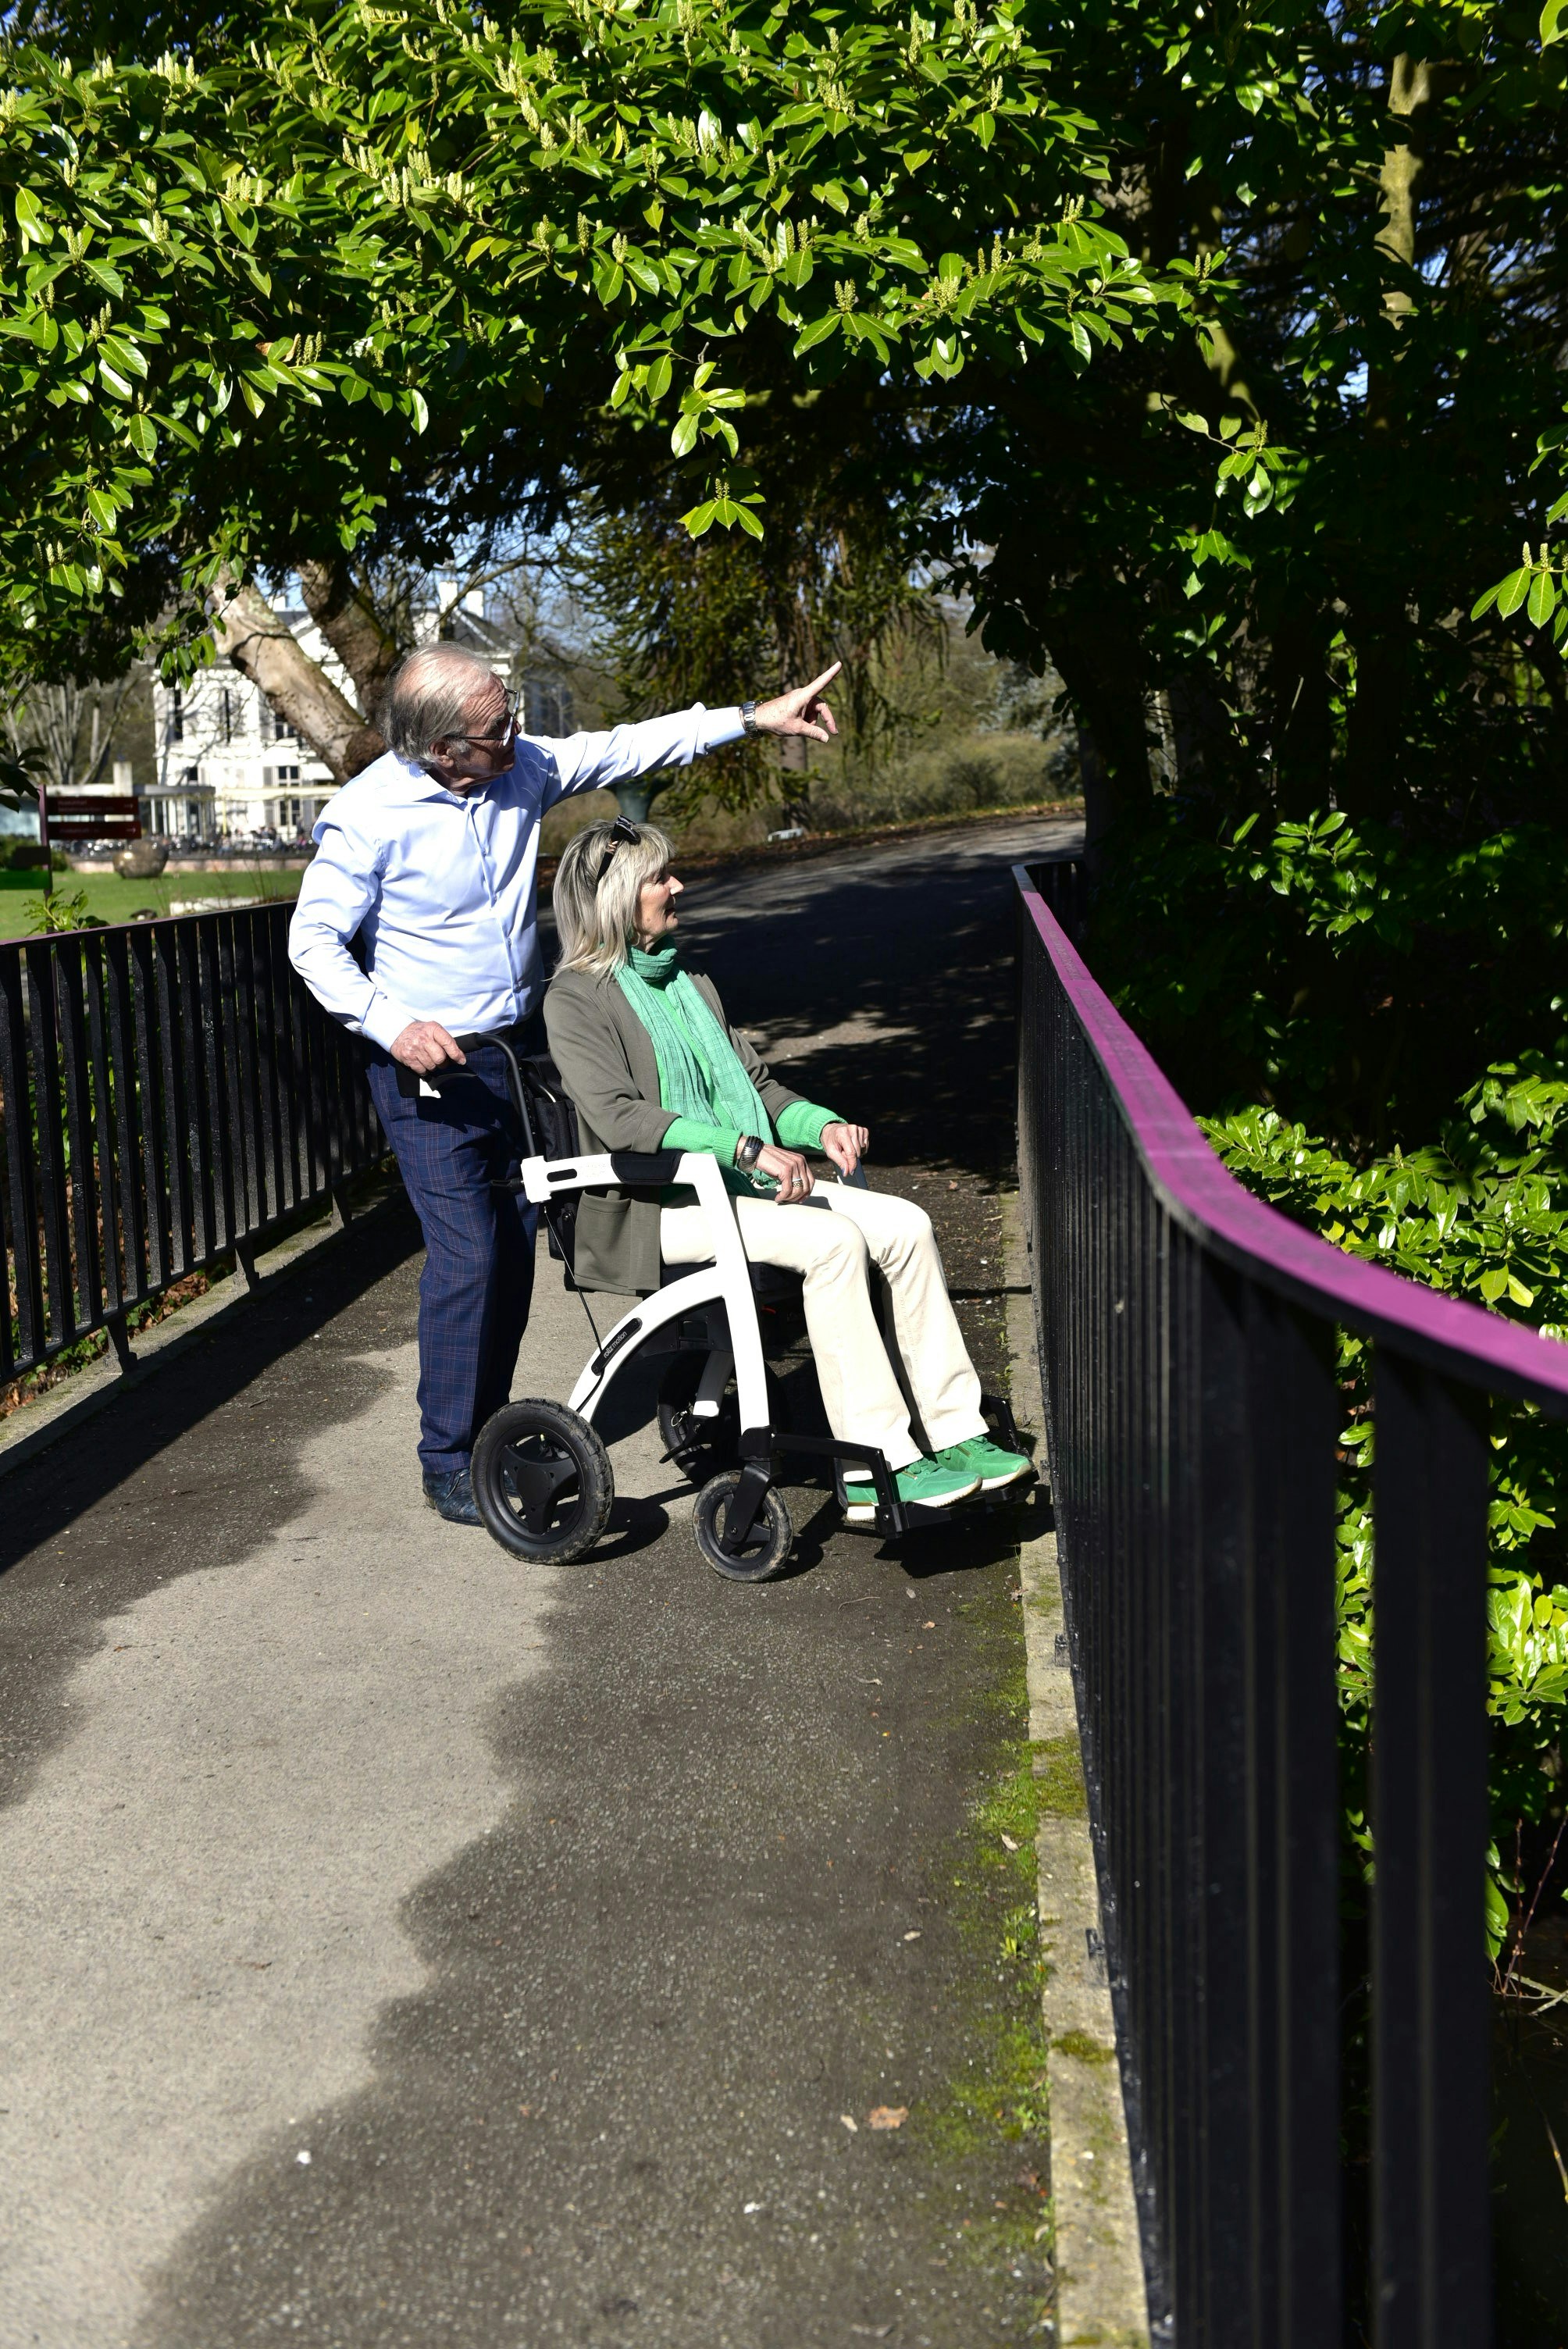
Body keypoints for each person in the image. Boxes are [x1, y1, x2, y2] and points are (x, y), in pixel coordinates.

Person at [289, 642, 844, 1523]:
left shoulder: (520, 768)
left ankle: (486, 1432)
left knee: (515, 1250)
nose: (518, 733)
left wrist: (749, 718)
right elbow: (311, 942)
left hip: (513, 1052)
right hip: (423, 1063)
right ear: (443, 748)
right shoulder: (368, 815)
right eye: (496, 727)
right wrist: (396, 1025)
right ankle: (447, 1458)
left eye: (509, 715)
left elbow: (627, 746)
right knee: (469, 1254)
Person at [544, 819, 1032, 1518]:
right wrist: (742, 1149)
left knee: (906, 1224)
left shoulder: (690, 981)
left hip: (736, 1191)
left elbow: (761, 1090)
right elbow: (622, 1119)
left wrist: (820, 1126)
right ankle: (877, 1466)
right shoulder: (574, 999)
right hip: (654, 1209)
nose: (678, 886)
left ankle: (957, 1431)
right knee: (834, 1243)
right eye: (660, 877)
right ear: (615, 896)